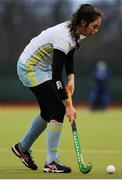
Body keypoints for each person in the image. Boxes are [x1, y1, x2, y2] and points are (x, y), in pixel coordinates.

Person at [11, 4, 103, 173]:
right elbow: (55, 77)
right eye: (94, 26)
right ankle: (51, 162)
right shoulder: (63, 37)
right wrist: (68, 105)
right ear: (83, 22)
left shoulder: (75, 32)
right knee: (58, 109)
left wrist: (71, 76)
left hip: (42, 67)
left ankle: (22, 148)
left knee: (48, 112)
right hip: (30, 67)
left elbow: (69, 54)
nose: (96, 30)